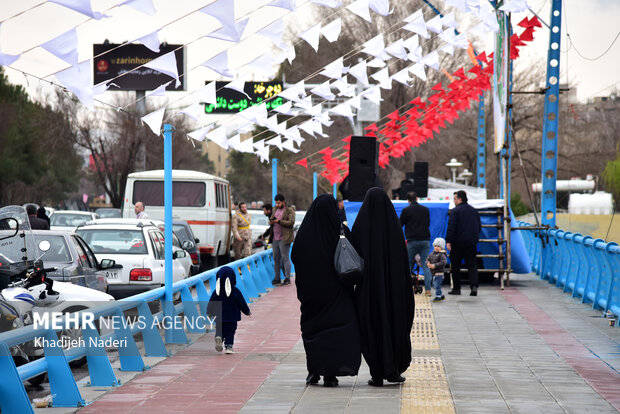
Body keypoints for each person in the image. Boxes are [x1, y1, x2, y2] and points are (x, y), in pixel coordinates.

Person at [291, 195, 361, 387]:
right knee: (336, 331)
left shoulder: (304, 234)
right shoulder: (340, 231)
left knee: (313, 331)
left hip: (312, 295)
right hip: (337, 292)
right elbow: (355, 256)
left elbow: (296, 258)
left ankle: (313, 371)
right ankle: (331, 373)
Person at [351, 188, 414, 387]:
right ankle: (393, 370)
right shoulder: (394, 228)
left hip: (368, 292)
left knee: (371, 327)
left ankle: (376, 373)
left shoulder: (360, 226)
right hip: (394, 292)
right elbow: (404, 263)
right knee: (394, 324)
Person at [207, 266, 251, 354]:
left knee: (220, 329)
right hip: (232, 317)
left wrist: (209, 312)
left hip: (219, 317)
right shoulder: (235, 291)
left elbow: (211, 302)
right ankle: (228, 347)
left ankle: (219, 336)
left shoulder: (217, 292)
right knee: (230, 331)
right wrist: (247, 311)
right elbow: (241, 303)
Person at [446, 190, 481, 296]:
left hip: (458, 243)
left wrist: (448, 241)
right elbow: (479, 227)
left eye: (455, 199)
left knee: (456, 266)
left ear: (460, 199)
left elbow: (451, 227)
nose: (454, 201)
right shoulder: (474, 211)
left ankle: (457, 288)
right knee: (472, 265)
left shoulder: (455, 211)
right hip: (471, 243)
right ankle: (474, 287)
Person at [399, 191, 432, 296]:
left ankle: (407, 289)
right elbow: (427, 223)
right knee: (425, 265)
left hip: (412, 241)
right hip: (425, 240)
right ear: (417, 198)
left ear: (408, 200)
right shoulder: (425, 210)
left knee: (407, 265)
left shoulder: (406, 210)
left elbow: (400, 224)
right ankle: (428, 290)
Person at [269, 194, 295, 286]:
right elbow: (272, 219)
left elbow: (291, 223)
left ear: (283, 202)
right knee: (276, 258)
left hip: (285, 237)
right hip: (275, 237)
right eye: (276, 203)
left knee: (285, 257)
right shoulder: (274, 209)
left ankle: (287, 277)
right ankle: (277, 278)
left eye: (279, 203)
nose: (277, 204)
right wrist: (271, 221)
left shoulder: (289, 210)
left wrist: (279, 221)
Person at [427, 237, 448, 302]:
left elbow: (443, 262)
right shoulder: (432, 254)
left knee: (437, 285)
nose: (436, 247)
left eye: (438, 246)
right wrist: (428, 263)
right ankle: (441, 295)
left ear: (442, 247)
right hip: (433, 273)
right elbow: (428, 259)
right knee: (434, 285)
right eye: (435, 246)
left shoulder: (442, 255)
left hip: (439, 273)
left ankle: (438, 296)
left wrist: (435, 265)